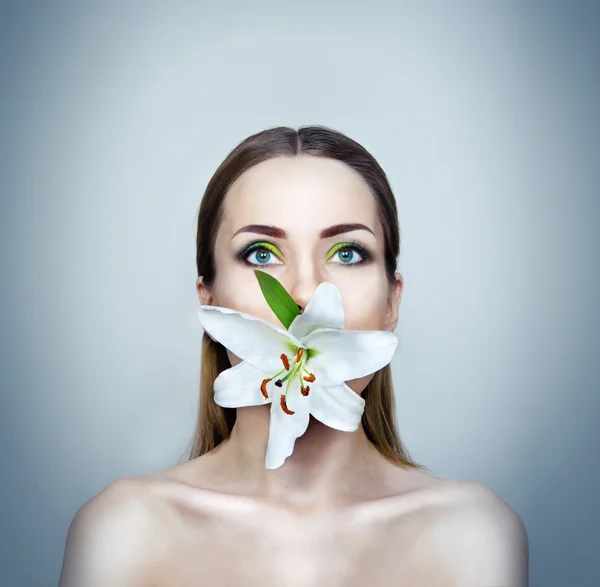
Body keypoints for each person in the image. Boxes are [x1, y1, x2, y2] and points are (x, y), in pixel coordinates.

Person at [58, 125, 529, 586]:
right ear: (210, 300)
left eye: (347, 253)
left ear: (391, 303)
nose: (305, 293)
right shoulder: (122, 532)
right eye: (261, 254)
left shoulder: (473, 535)